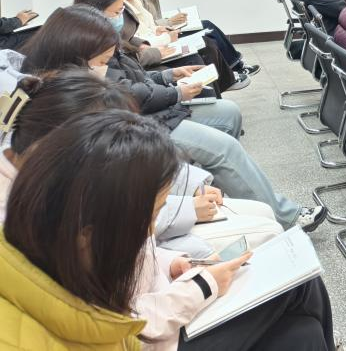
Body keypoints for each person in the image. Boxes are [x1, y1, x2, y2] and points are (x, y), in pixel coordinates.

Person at [0, 109, 338, 350]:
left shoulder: (68, 237)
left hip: (160, 315)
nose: (152, 229)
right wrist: (201, 286)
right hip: (160, 330)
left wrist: (172, 263)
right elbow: (133, 324)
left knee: (302, 325)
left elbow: (134, 273)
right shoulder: (33, 327)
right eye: (152, 214)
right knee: (300, 308)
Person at [18, 3, 326, 232]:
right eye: (115, 10)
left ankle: (232, 195)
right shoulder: (67, 89)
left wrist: (168, 76)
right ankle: (284, 217)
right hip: (142, 123)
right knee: (224, 148)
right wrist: (176, 93)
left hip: (147, 115)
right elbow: (127, 99)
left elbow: (135, 79)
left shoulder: (92, 53)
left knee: (228, 113)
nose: (119, 16)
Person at [0, 70, 281, 257]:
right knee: (268, 232)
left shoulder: (56, 160)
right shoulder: (28, 203)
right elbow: (126, 224)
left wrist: (192, 187)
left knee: (263, 215)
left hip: (154, 250)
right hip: (152, 259)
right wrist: (187, 210)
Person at [126, 0, 244, 93]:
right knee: (201, 50)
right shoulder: (126, 6)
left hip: (159, 39)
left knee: (207, 37)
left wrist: (158, 29)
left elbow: (150, 24)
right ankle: (222, 84)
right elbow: (137, 40)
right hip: (156, 47)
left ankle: (230, 74)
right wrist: (167, 26)